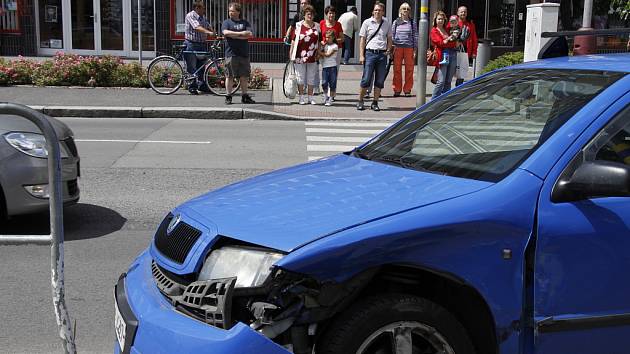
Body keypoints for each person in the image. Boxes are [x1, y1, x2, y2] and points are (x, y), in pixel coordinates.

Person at [357, 2, 392, 111]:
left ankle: (375, 102)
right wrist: (361, 55)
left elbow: (389, 38)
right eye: (376, 10)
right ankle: (360, 101)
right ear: (373, 11)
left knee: (380, 80)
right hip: (370, 53)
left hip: (381, 55)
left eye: (380, 10)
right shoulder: (367, 22)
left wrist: (388, 50)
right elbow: (362, 40)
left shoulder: (386, 23)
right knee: (366, 79)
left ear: (383, 12)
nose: (377, 12)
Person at [222, 2, 255, 104]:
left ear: (238, 12)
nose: (230, 13)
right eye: (229, 11)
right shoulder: (226, 22)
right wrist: (241, 34)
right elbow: (225, 33)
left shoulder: (245, 23)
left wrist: (233, 35)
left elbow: (249, 35)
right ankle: (228, 96)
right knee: (229, 76)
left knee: (244, 76)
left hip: (243, 53)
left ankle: (244, 96)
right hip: (231, 54)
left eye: (232, 11)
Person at [289, 5, 321, 105]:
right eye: (308, 14)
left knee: (311, 77)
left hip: (313, 55)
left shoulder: (317, 26)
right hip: (299, 55)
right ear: (304, 15)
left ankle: (310, 98)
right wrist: (291, 54)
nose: (310, 16)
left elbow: (320, 41)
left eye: (311, 14)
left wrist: (319, 52)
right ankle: (301, 97)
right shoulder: (298, 25)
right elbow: (293, 41)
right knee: (300, 77)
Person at [184, 1, 215, 95]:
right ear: (197, 8)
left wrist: (215, 34)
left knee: (201, 66)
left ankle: (202, 86)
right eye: (203, 8)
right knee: (192, 67)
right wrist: (209, 33)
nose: (204, 9)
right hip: (191, 44)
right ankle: (192, 87)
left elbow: (208, 26)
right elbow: (197, 27)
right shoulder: (190, 16)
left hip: (201, 44)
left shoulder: (203, 17)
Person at [391, 2, 417, 97]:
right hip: (397, 48)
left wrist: (415, 50)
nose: (406, 10)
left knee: (409, 70)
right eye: (404, 8)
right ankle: (397, 89)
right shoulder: (396, 22)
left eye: (408, 9)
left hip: (409, 48)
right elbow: (392, 36)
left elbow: (415, 36)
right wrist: (392, 48)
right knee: (397, 69)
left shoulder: (412, 22)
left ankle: (407, 89)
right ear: (400, 11)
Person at [430, 10, 457, 100]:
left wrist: (448, 41)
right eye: (439, 19)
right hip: (442, 56)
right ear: (435, 20)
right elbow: (440, 43)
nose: (441, 21)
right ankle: (433, 101)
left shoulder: (447, 29)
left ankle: (444, 101)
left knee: (448, 81)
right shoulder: (434, 31)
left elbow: (453, 42)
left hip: (452, 54)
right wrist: (449, 41)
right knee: (441, 81)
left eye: (442, 19)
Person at [319, 5, 343, 101]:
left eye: (333, 13)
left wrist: (333, 41)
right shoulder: (322, 23)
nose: (331, 15)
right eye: (329, 13)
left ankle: (331, 94)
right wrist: (321, 42)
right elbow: (319, 37)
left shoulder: (338, 24)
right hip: (324, 50)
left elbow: (342, 38)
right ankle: (326, 93)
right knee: (325, 72)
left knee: (334, 72)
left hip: (335, 50)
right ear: (326, 14)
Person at [455, 6, 477, 86]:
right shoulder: (453, 23)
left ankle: (457, 90)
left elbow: (474, 39)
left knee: (461, 73)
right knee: (451, 72)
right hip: (454, 50)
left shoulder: (470, 25)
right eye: (461, 12)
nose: (463, 13)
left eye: (465, 12)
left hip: (465, 51)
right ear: (458, 13)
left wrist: (474, 52)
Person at [319, 30, 339, 106]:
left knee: (332, 84)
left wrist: (319, 52)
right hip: (325, 67)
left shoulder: (335, 46)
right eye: (326, 37)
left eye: (329, 37)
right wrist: (321, 48)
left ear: (333, 38)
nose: (327, 39)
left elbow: (328, 55)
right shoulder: (325, 45)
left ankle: (330, 98)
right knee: (324, 83)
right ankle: (326, 95)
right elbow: (321, 56)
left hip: (332, 67)